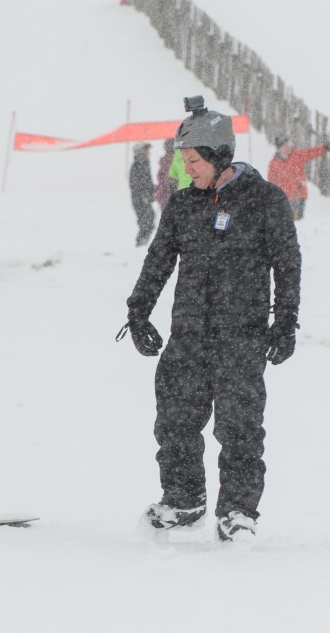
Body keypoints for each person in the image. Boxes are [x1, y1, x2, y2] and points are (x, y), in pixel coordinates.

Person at [122, 96, 302, 543]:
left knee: (239, 428)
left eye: (194, 160)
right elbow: (159, 259)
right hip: (189, 334)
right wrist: (138, 309)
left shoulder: (264, 201)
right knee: (175, 422)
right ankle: (184, 501)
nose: (187, 169)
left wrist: (285, 321)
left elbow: (288, 264)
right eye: (182, 161)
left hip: (241, 336)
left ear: (221, 156)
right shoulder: (183, 205)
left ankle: (238, 512)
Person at [267, 135, 330, 220]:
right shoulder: (274, 164)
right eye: (285, 145)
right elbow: (270, 184)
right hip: (284, 199)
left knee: (297, 223)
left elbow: (313, 152)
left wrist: (328, 147)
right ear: (279, 148)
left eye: (288, 144)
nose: (288, 146)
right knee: (286, 224)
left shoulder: (297, 155)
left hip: (299, 197)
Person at [129, 142, 156, 246]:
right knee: (146, 222)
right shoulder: (139, 165)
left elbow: (147, 182)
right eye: (147, 151)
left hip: (144, 199)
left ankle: (142, 242)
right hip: (140, 200)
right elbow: (137, 185)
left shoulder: (144, 163)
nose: (149, 153)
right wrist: (145, 195)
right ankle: (140, 243)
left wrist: (153, 189)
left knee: (149, 219)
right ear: (141, 152)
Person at [155, 138, 193, 208]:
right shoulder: (190, 155)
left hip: (179, 191)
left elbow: (169, 174)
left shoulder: (172, 158)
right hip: (193, 189)